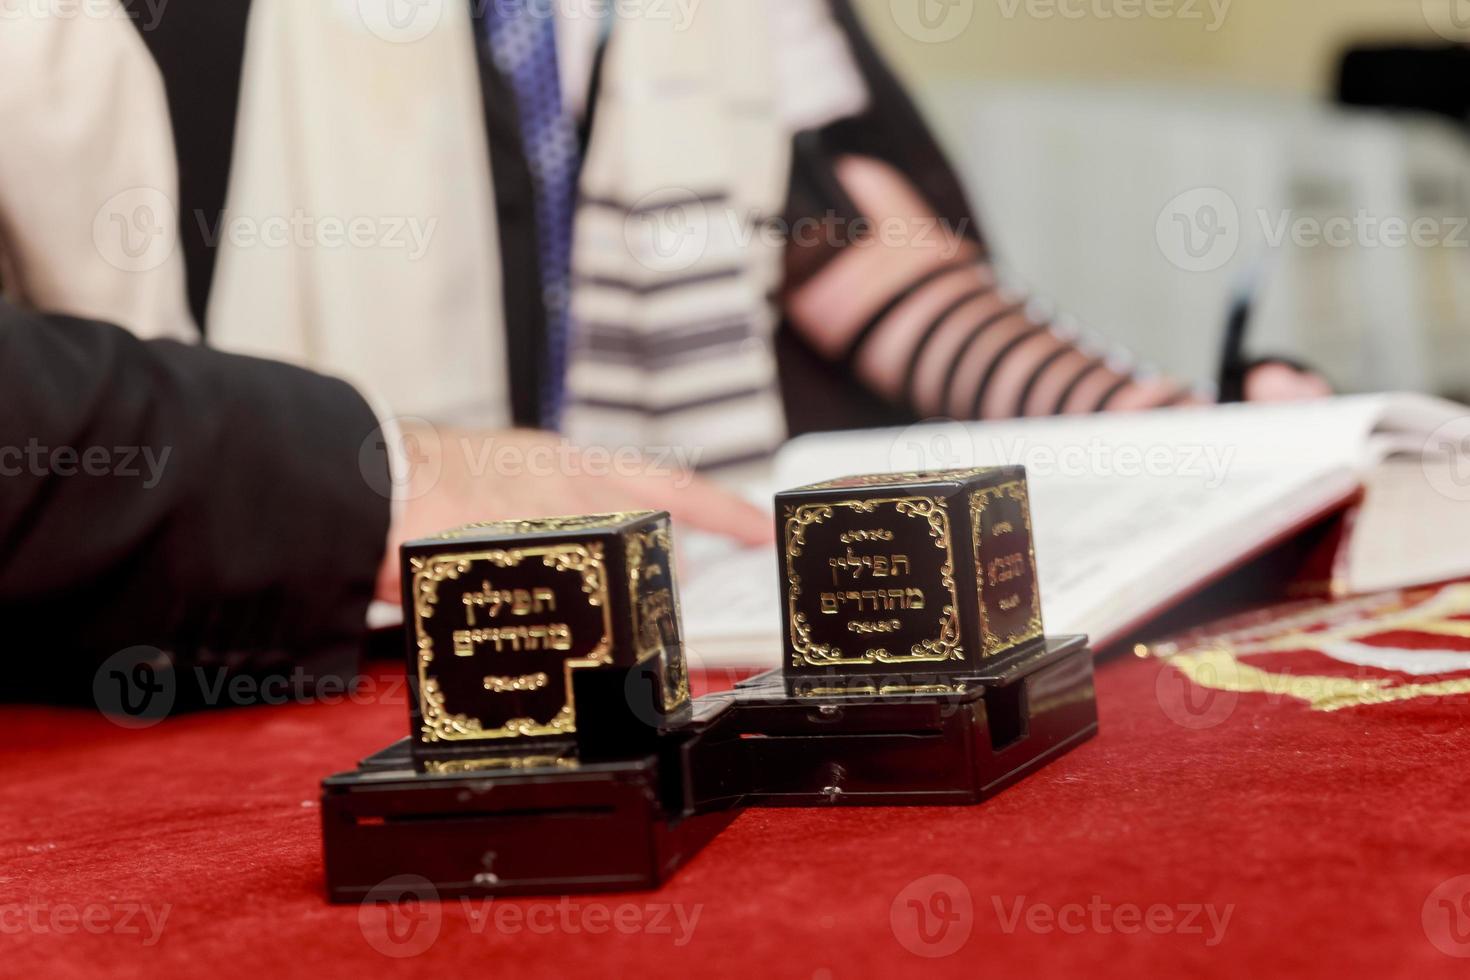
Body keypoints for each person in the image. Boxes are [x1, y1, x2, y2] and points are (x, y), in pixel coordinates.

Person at [0, 0, 1325, 701]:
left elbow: (836, 238)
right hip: (291, 596)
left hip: (648, 575)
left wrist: (1154, 421)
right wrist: (371, 478)